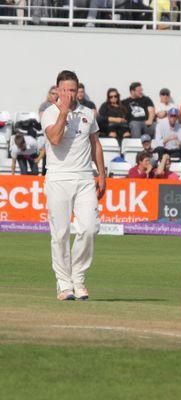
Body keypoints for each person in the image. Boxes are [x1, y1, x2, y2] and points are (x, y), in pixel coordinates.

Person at [41, 70, 106, 301]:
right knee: (60, 234)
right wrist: (64, 113)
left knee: (89, 229)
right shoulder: (49, 113)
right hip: (58, 178)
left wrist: (102, 174)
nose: (69, 94)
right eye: (65, 90)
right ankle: (63, 283)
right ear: (57, 90)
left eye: (73, 90)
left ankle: (78, 278)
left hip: (84, 177)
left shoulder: (88, 113)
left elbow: (95, 143)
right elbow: (55, 139)